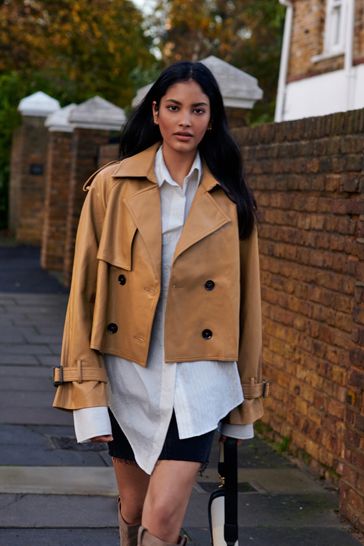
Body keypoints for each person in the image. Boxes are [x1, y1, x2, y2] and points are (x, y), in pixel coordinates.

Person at [53, 60, 269, 546]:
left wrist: (244, 400)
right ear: (155, 112)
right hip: (130, 373)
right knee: (135, 508)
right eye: (174, 107)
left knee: (164, 515)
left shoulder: (231, 198)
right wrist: (87, 393)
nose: (185, 121)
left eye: (198, 109)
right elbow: (84, 292)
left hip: (199, 379)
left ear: (212, 118)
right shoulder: (111, 186)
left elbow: (247, 305)